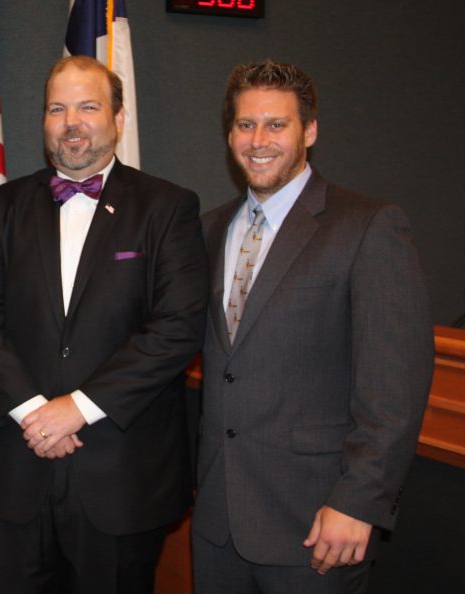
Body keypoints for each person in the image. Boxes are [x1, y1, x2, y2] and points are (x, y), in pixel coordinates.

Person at [0, 55, 208, 594]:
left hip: (121, 478)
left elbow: (177, 327)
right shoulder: (3, 207)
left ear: (118, 118)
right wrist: (34, 412)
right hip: (20, 472)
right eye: (57, 108)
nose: (72, 122)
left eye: (88, 107)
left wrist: (77, 409)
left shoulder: (168, 208)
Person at [192, 59, 434, 594]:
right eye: (245, 124)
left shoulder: (369, 225)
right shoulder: (207, 229)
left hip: (317, 526)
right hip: (216, 524)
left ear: (310, 131)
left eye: (277, 124)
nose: (259, 140)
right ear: (230, 132)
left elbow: (395, 387)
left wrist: (359, 502)